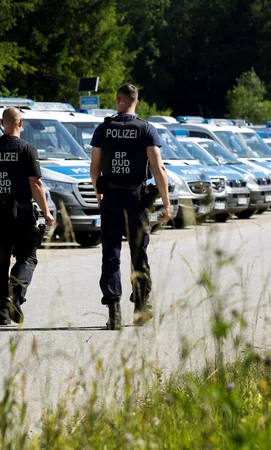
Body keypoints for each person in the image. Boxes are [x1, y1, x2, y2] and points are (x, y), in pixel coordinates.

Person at [89, 84, 172, 330]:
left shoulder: (103, 129)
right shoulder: (146, 129)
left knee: (111, 255)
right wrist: (166, 204)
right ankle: (140, 308)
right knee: (139, 254)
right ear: (137, 102)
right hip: (136, 200)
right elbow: (158, 168)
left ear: (118, 100)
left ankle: (114, 311)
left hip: (111, 198)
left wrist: (98, 195)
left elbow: (94, 168)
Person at [0, 107, 55, 325]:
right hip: (20, 213)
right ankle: (15, 294)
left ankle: (0, 309)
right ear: (21, 123)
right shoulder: (27, 149)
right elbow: (35, 183)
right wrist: (47, 212)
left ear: (3, 123)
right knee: (27, 256)